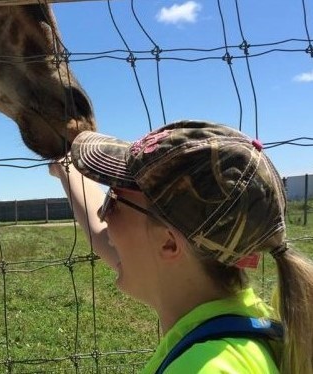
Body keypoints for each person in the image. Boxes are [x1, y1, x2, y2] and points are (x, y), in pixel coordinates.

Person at [49, 120, 313, 373]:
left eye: (114, 200)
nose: (103, 215)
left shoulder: (204, 367)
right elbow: (104, 238)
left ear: (168, 243)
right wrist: (66, 167)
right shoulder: (246, 322)